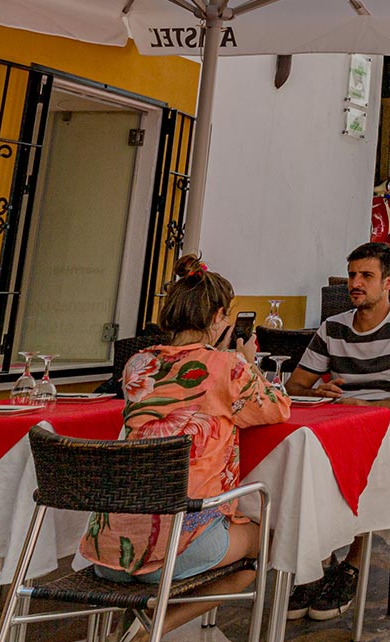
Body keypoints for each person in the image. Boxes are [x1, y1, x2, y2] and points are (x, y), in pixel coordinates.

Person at [83, 256, 288, 635]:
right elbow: (276, 409)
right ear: (219, 316)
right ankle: (153, 630)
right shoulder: (226, 368)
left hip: (107, 552)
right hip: (175, 550)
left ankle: (141, 618)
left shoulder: (137, 364)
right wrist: (246, 361)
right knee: (272, 543)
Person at [284, 241, 390, 620]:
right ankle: (318, 562)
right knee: (304, 463)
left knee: (360, 466)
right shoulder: (333, 328)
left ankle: (352, 564)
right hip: (339, 425)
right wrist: (317, 389)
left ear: (389, 282)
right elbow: (294, 386)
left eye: (366, 276)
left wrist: (371, 408)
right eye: (353, 275)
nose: (356, 283)